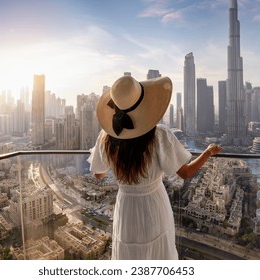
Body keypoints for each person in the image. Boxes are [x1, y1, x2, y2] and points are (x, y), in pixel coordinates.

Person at [88, 75, 222, 260]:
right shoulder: (159, 135)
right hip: (153, 204)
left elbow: (99, 175)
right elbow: (185, 173)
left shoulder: (106, 138)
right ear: (143, 105)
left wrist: (112, 163)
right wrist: (207, 152)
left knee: (129, 253)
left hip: (125, 207)